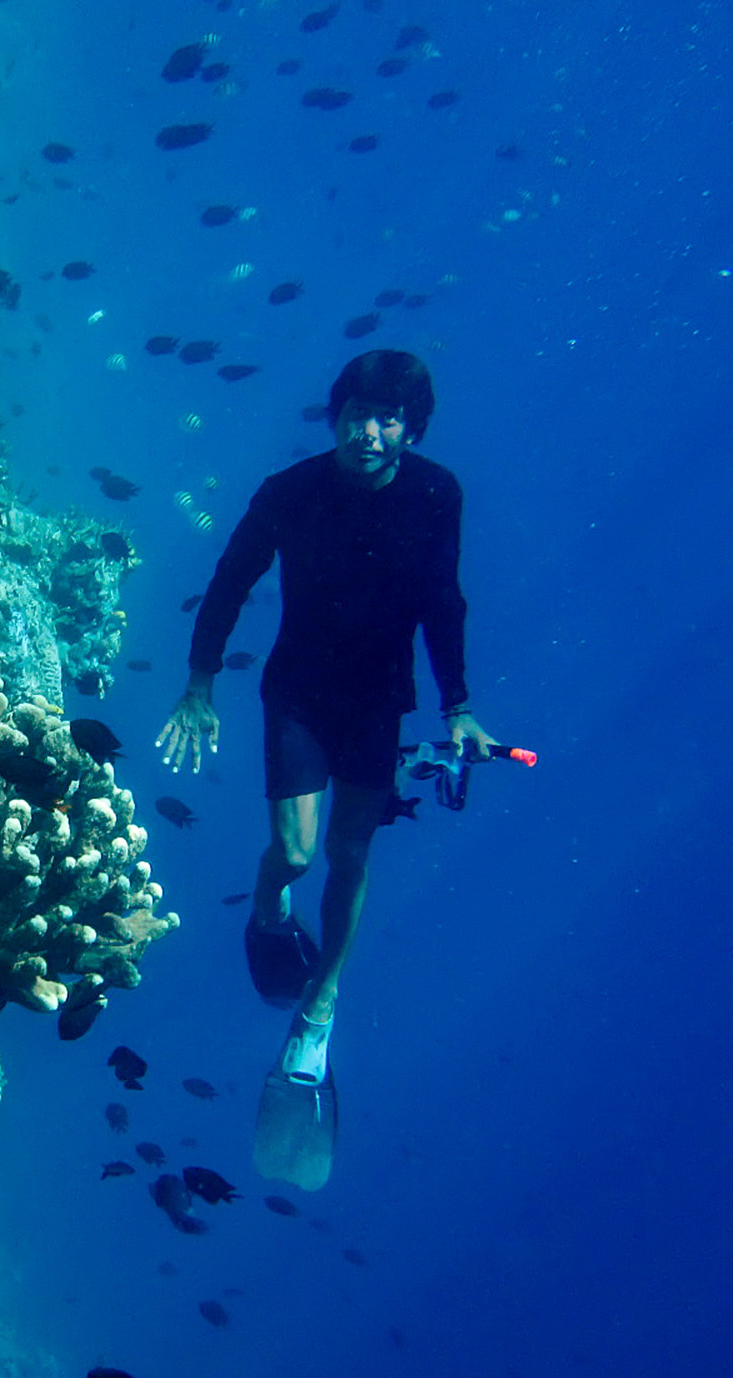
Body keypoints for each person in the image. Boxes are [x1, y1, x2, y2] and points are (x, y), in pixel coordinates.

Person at [155, 350, 497, 1093]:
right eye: (356, 415)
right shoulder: (291, 492)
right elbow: (229, 581)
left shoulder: (438, 494)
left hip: (380, 701)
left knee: (350, 855)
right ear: (335, 416)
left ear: (411, 430)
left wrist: (459, 707)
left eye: (387, 420)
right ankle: (269, 902)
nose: (367, 432)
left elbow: (445, 601)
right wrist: (199, 682)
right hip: (299, 694)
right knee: (298, 852)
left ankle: (321, 1006)